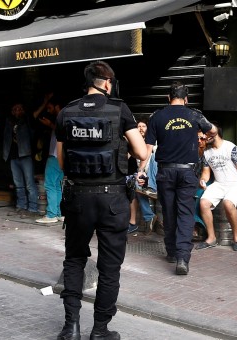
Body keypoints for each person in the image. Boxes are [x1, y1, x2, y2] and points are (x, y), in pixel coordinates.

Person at [55, 61, 148, 340]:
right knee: (109, 267)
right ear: (106, 83)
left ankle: (71, 327)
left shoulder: (66, 111)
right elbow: (142, 153)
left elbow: (61, 162)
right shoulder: (119, 109)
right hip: (113, 200)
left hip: (78, 198)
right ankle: (100, 330)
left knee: (74, 260)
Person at [143, 81, 215, 275]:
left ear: (168, 98)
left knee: (168, 211)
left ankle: (172, 251)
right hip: (187, 172)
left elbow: (147, 149)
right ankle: (183, 257)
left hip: (165, 171)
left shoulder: (157, 116)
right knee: (185, 213)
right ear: (186, 99)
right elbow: (213, 130)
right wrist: (206, 136)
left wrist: (140, 171)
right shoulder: (194, 115)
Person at [196, 124, 237, 251]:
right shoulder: (207, 153)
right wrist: (203, 181)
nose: (204, 137)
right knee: (203, 202)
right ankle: (211, 238)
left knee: (228, 203)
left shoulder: (231, 148)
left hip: (236, 184)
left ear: (215, 133)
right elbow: (206, 174)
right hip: (219, 184)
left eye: (206, 134)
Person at [2, 100, 41, 219]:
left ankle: (33, 208)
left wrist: (44, 102)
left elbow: (35, 114)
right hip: (13, 157)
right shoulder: (9, 121)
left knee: (29, 183)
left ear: (23, 110)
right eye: (15, 109)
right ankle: (21, 206)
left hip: (25, 155)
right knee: (18, 184)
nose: (17, 111)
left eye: (19, 108)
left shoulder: (27, 120)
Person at [36, 94, 65, 224]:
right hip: (62, 158)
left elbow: (62, 133)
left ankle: (51, 214)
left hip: (55, 156)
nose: (48, 110)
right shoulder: (66, 117)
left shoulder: (60, 119)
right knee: (57, 186)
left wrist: (50, 125)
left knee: (50, 185)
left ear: (57, 106)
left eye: (49, 107)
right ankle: (58, 213)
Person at [133, 118, 159, 234]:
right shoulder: (133, 143)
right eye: (138, 126)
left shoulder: (152, 141)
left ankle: (152, 188)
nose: (141, 128)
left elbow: (156, 152)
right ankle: (150, 217)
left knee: (155, 157)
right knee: (136, 186)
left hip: (155, 174)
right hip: (141, 174)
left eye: (143, 126)